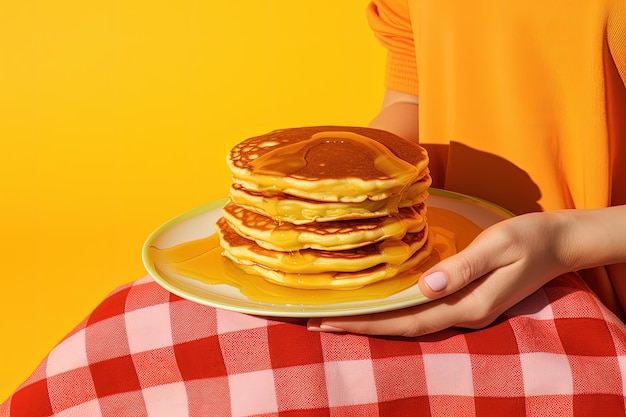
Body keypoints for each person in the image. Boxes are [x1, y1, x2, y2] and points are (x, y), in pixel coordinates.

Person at [3, 1, 626, 416]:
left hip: (590, 286)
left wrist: (567, 242)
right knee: (100, 362)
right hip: (414, 262)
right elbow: (412, 93)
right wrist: (316, 193)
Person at [308, 0, 626, 337]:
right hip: (436, 276)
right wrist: (351, 174)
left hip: (602, 308)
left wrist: (563, 242)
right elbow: (412, 97)